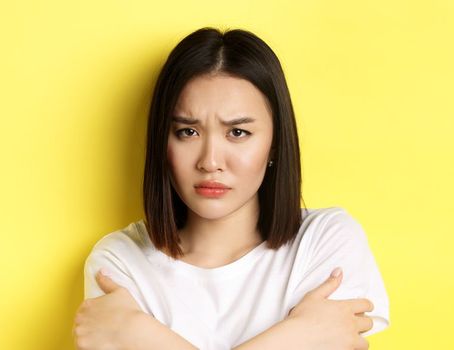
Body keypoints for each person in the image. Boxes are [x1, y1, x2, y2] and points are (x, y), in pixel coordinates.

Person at [73, 27, 390, 350]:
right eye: (187, 132)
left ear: (275, 144)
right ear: (161, 141)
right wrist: (300, 336)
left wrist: (141, 333)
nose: (210, 161)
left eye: (237, 132)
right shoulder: (120, 261)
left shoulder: (325, 240)